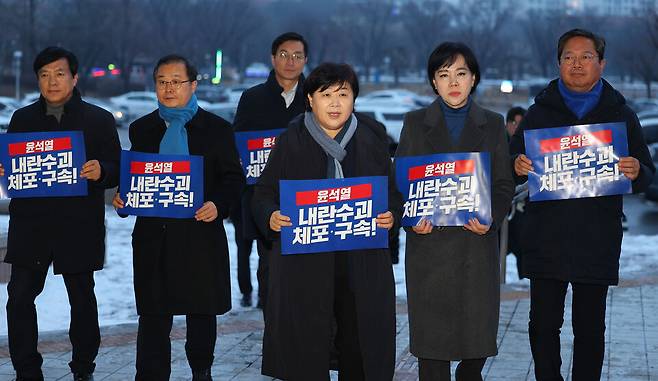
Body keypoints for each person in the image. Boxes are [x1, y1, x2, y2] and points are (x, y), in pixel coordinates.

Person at [509, 28, 655, 380]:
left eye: (585, 57)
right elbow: (510, 162)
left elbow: (647, 171)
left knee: (590, 329)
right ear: (558, 63)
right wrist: (516, 165)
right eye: (568, 58)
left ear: (601, 63)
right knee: (543, 326)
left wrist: (637, 171)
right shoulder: (539, 113)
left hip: (597, 238)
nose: (576, 64)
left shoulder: (620, 113)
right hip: (546, 238)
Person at [252, 62, 400, 380]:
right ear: (310, 100)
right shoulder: (291, 139)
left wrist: (391, 215)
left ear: (354, 99)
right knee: (306, 353)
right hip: (306, 266)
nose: (335, 103)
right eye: (326, 94)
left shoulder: (373, 138)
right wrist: (272, 216)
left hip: (360, 263)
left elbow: (392, 193)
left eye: (343, 94)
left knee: (360, 349)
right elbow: (263, 194)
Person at [112, 54, 245, 381]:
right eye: (162, 82)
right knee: (154, 316)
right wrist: (123, 198)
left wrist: (217, 204)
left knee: (201, 312)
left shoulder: (217, 129)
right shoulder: (142, 129)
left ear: (193, 84)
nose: (169, 88)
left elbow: (233, 180)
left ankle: (202, 370)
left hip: (200, 235)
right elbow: (136, 179)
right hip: (154, 237)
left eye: (176, 81)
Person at [395, 42, 514, 381]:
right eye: (443, 75)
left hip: (475, 249)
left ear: (473, 78)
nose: (453, 82)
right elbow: (400, 185)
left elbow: (504, 184)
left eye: (461, 73)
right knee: (432, 353)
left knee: (474, 347)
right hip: (429, 249)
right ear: (433, 82)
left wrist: (491, 217)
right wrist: (409, 219)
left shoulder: (492, 124)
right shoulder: (415, 123)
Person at [2, 46, 121, 381]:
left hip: (78, 225)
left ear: (74, 77)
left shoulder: (98, 119)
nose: (51, 81)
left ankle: (83, 366)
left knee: (82, 298)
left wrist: (103, 171)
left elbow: (117, 167)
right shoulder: (22, 119)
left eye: (59, 73)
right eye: (44, 75)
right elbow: (13, 170)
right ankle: (26, 368)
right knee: (20, 297)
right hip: (31, 226)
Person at [232, 32, 308, 309]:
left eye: (297, 56)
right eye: (284, 55)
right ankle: (273, 334)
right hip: (266, 196)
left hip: (308, 196)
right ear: (273, 58)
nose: (291, 61)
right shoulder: (252, 98)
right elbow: (239, 142)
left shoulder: (315, 96)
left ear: (306, 60)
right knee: (270, 268)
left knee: (306, 273)